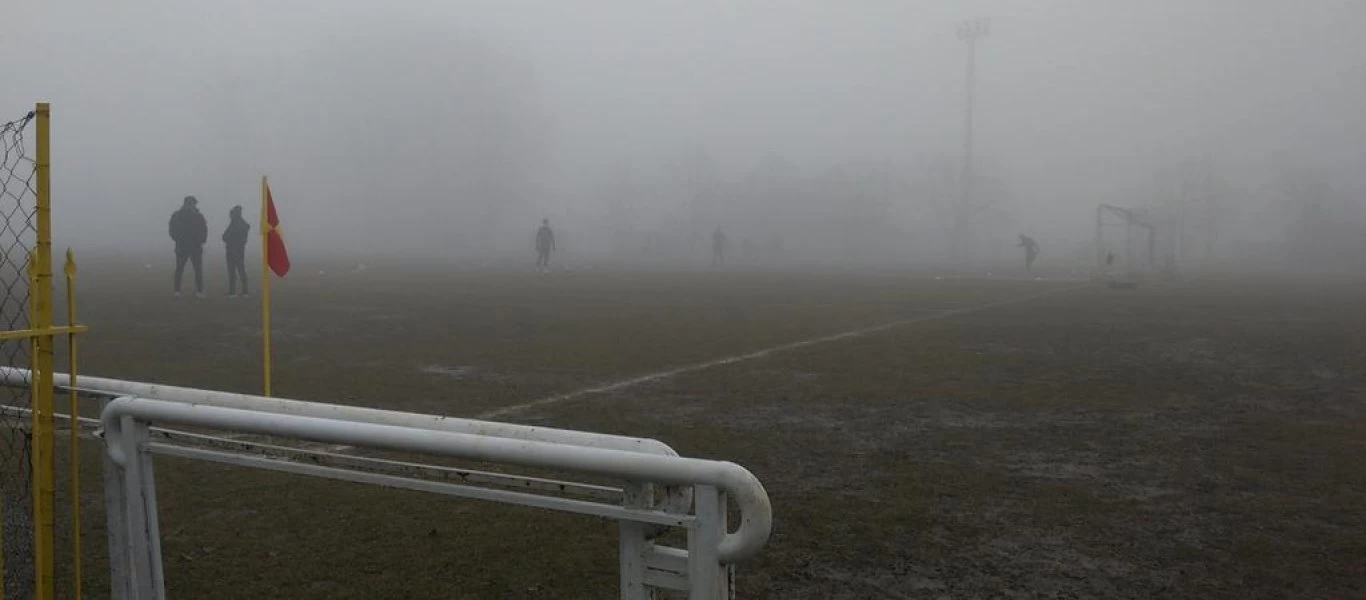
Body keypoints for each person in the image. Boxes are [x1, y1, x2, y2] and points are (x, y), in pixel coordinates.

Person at [169, 195, 208, 297]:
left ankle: (179, 291)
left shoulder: (177, 215)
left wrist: (178, 239)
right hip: (191, 247)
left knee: (183, 269)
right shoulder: (198, 216)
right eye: (193, 204)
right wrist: (201, 240)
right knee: (189, 269)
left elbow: (172, 230)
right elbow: (204, 230)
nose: (193, 206)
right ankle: (196, 292)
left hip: (186, 246)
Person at [222, 205, 250, 297]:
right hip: (240, 250)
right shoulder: (242, 224)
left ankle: (232, 292)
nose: (230, 215)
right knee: (241, 270)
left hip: (232, 249)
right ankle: (245, 291)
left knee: (232, 271)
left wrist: (227, 239)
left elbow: (226, 236)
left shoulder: (234, 223)